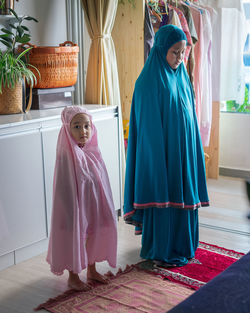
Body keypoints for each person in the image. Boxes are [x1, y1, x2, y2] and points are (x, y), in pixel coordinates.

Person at [124, 25, 209, 267]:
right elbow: (149, 132)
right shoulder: (148, 82)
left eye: (183, 53)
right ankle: (161, 249)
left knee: (182, 195)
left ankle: (184, 245)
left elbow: (188, 115)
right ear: (161, 50)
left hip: (181, 153)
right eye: (175, 52)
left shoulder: (181, 75)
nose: (180, 58)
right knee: (165, 196)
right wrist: (158, 163)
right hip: (161, 156)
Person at [46, 106, 117, 291]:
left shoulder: (93, 151)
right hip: (75, 206)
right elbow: (64, 187)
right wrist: (71, 210)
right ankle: (73, 276)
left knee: (94, 232)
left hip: (93, 204)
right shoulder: (66, 155)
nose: (83, 131)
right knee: (76, 235)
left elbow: (101, 180)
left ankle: (92, 270)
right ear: (67, 129)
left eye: (87, 126)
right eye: (76, 127)